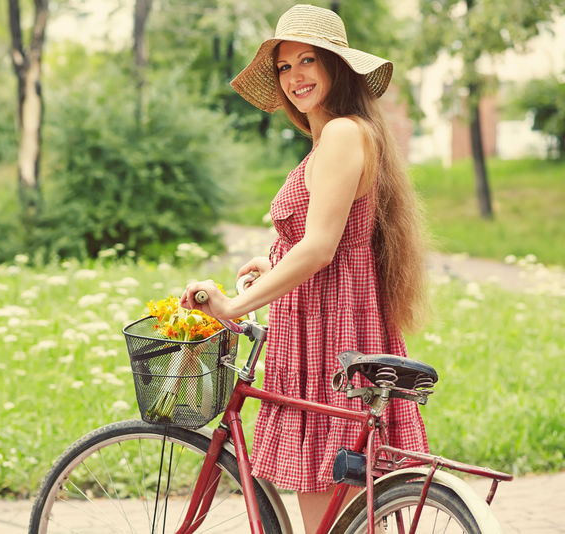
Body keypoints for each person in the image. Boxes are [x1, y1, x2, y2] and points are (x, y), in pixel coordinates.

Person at [179, 4, 429, 533]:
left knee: (328, 512)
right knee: (342, 513)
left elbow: (320, 250)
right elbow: (331, 235)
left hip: (328, 334)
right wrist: (272, 258)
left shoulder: (341, 134)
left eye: (308, 60)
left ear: (337, 66)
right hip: (324, 325)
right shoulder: (335, 136)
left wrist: (233, 306)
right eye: (285, 67)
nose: (296, 77)